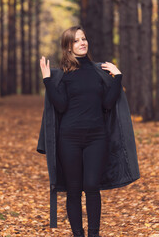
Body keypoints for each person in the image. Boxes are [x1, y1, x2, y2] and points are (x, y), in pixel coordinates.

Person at [38, 25, 140, 237]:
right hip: (70, 138)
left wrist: (117, 77)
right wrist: (47, 80)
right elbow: (61, 106)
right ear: (68, 47)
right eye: (76, 40)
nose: (82, 43)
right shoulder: (63, 76)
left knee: (92, 186)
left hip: (96, 137)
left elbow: (108, 104)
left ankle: (93, 234)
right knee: (74, 190)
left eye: (83, 38)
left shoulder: (98, 71)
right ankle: (78, 234)